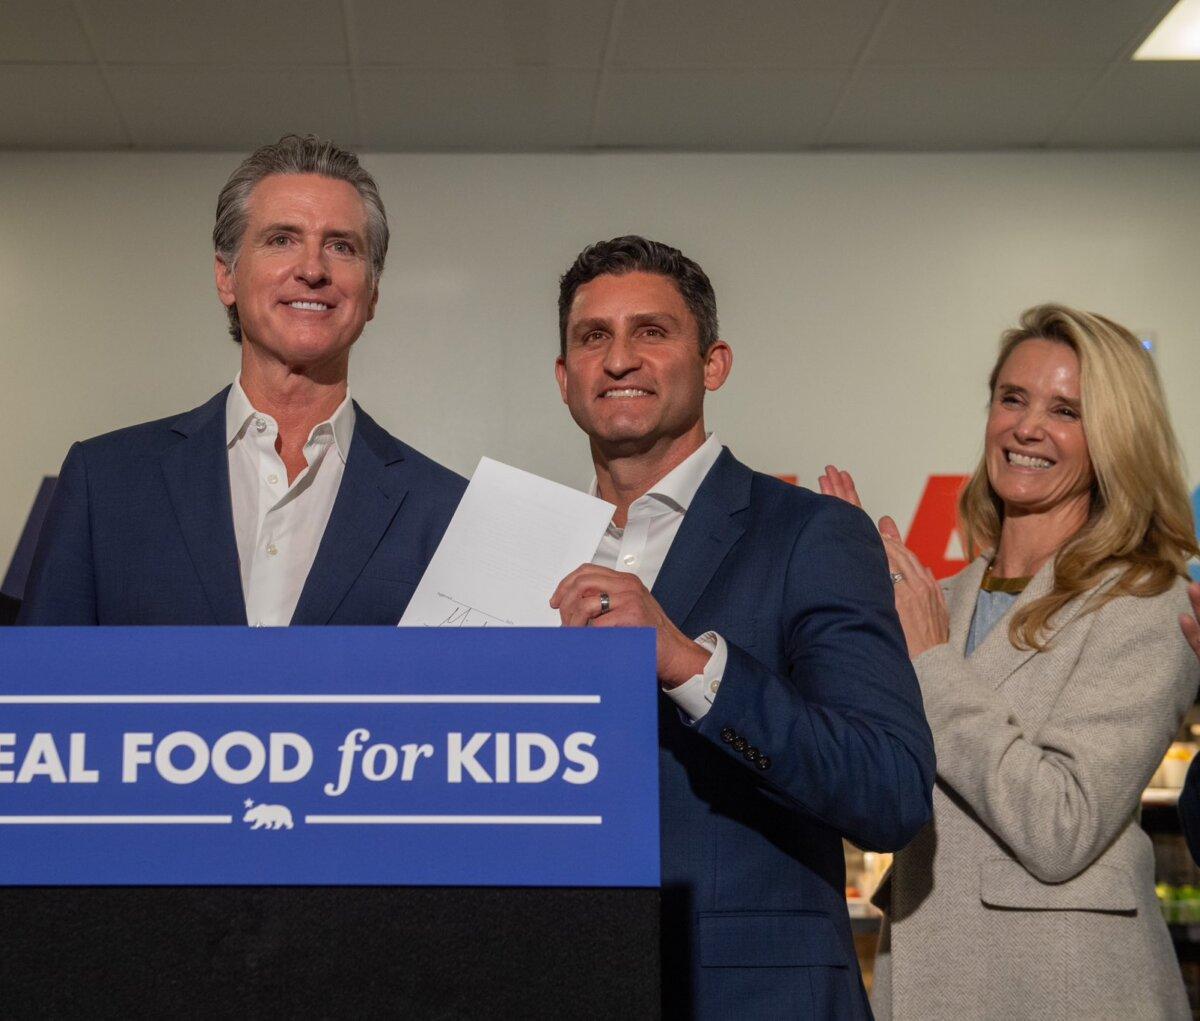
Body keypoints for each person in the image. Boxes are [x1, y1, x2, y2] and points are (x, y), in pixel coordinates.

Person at [548, 236, 935, 1018]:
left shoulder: (809, 534)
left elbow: (889, 787)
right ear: (564, 378)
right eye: (594, 337)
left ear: (713, 363)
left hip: (752, 992)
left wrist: (691, 665)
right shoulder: (524, 544)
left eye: (652, 332)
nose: (619, 358)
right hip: (560, 977)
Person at [821, 304, 1200, 1019]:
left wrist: (930, 660)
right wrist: (840, 608)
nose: (1027, 426)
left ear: (1114, 438)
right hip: (929, 972)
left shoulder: (1150, 601)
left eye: (1067, 410)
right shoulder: (943, 597)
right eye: (1012, 398)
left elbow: (1062, 823)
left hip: (1067, 988)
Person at [18, 135, 464, 626]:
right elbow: (40, 695)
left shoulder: (447, 510)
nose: (313, 269)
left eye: (341, 246)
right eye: (281, 240)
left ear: (373, 293)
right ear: (226, 277)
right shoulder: (103, 484)